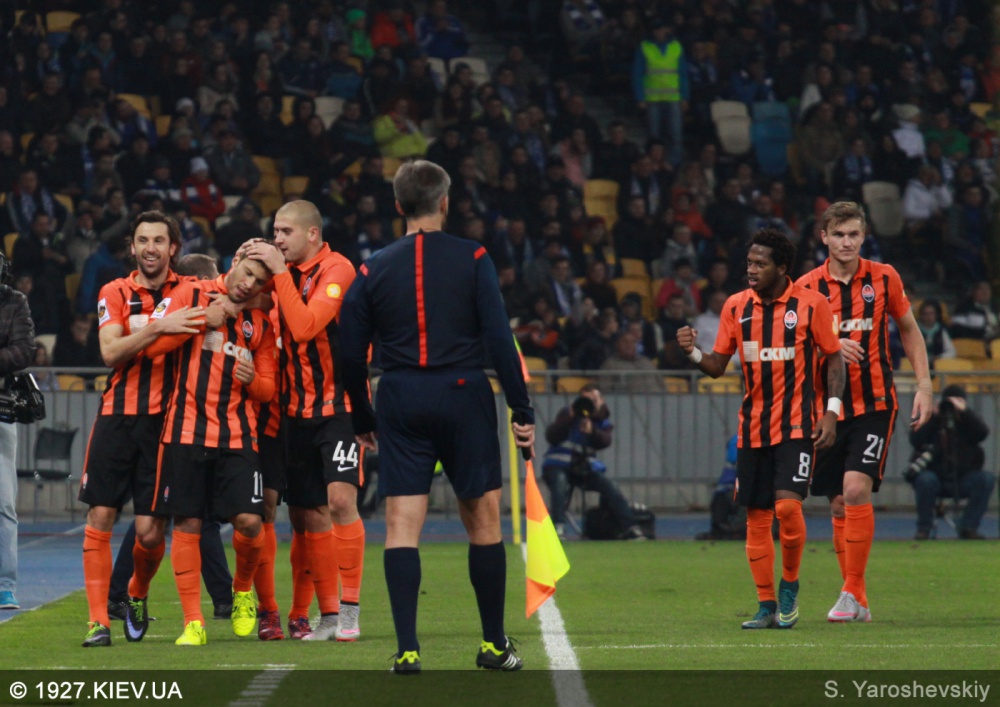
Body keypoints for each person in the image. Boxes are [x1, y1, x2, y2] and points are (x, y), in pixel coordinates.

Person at [339, 160, 534, 673]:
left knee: (401, 523)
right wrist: (521, 407)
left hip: (400, 395)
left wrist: (361, 415)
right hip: (464, 392)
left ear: (398, 205)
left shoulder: (373, 267)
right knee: (483, 518)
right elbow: (499, 338)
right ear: (445, 202)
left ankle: (407, 650)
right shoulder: (474, 257)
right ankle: (493, 645)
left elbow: (349, 352)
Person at [677, 228, 845, 630]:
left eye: (760, 263)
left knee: (786, 508)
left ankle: (789, 586)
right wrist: (692, 351)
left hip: (797, 425)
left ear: (782, 267)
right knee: (756, 517)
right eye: (749, 262)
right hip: (752, 429)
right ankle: (766, 605)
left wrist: (831, 413)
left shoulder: (811, 304)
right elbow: (717, 366)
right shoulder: (736, 306)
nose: (751, 269)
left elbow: (834, 359)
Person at [795, 201, 933, 624]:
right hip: (827, 410)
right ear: (824, 238)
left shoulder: (884, 277)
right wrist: (830, 345)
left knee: (855, 489)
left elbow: (909, 329)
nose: (847, 242)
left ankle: (850, 592)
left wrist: (925, 385)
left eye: (854, 234)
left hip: (875, 404)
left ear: (864, 235)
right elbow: (792, 351)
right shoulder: (805, 288)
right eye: (838, 234)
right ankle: (857, 598)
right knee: (838, 503)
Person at [77, 211, 209, 647]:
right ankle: (98, 622)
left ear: (174, 248)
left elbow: (233, 294)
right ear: (131, 247)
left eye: (159, 240)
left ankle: (136, 590)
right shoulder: (114, 291)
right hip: (117, 418)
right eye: (143, 240)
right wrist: (159, 327)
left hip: (165, 426)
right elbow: (110, 352)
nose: (150, 248)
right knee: (100, 515)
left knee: (150, 534)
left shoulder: (191, 289)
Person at [135, 245, 278, 646]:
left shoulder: (260, 322)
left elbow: (268, 389)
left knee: (250, 523)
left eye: (259, 282)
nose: (248, 284)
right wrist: (202, 320)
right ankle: (193, 622)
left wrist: (253, 380)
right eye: (247, 273)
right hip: (184, 431)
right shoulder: (190, 293)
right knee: (187, 525)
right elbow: (151, 347)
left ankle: (243, 590)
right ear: (235, 263)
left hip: (238, 434)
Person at [243, 201, 366, 643]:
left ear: (312, 233)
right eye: (274, 231)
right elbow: (242, 297)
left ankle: (350, 610)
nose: (277, 239)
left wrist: (276, 272)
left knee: (340, 502)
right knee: (307, 513)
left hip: (337, 408)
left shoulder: (338, 269)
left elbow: (306, 326)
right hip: (293, 414)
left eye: (286, 231)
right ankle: (327, 615)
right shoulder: (283, 274)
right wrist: (242, 267)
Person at [106, 253, 235, 625]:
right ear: (197, 283)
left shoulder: (180, 316)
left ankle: (119, 594)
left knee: (155, 517)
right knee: (184, 516)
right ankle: (222, 598)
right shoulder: (182, 318)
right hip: (170, 424)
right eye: (211, 282)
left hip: (174, 422)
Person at [541, 384, 643, 540]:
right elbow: (551, 436)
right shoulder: (567, 414)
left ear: (601, 401)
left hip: (585, 468)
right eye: (586, 400)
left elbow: (605, 441)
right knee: (560, 484)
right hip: (558, 465)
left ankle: (630, 527)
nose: (589, 404)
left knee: (610, 486)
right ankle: (558, 526)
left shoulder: (602, 421)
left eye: (593, 400)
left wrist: (592, 431)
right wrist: (569, 419)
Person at [908, 384, 996, 540]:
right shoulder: (934, 421)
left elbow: (982, 433)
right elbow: (916, 440)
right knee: (925, 480)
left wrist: (965, 412)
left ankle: (968, 527)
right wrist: (932, 416)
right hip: (935, 476)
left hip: (964, 477)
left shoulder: (968, 422)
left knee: (986, 479)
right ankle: (924, 529)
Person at [0, 251, 36, 610]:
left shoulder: (14, 301)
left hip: (1, 408)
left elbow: (25, 350)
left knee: (3, 503)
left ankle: (5, 585)